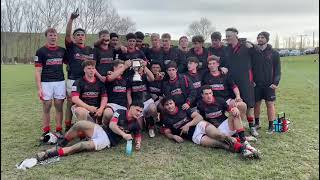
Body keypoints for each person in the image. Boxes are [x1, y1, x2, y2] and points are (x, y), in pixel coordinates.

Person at [160, 96, 259, 159]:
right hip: (195, 137)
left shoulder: (183, 109)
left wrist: (187, 125)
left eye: (171, 103)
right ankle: (243, 147)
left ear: (174, 103)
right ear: (164, 107)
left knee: (219, 135)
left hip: (200, 125)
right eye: (167, 105)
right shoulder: (165, 118)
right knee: (221, 145)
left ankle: (245, 149)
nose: (169, 106)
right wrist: (174, 137)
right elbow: (167, 132)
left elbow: (199, 117)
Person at [210, 28, 258, 137]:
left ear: (236, 35)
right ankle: (236, 127)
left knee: (249, 105)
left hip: (245, 80)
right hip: (231, 81)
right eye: (226, 36)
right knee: (235, 105)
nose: (227, 38)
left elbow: (257, 59)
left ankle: (251, 127)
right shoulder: (226, 49)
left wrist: (253, 46)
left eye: (229, 36)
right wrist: (223, 67)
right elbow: (221, 62)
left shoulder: (246, 46)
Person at [64, 10, 94, 131]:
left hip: (85, 81)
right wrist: (71, 19)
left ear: (85, 37)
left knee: (83, 104)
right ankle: (67, 126)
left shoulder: (89, 49)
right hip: (73, 79)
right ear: (74, 37)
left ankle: (83, 126)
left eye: (82, 35)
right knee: (71, 103)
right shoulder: (72, 47)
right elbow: (67, 35)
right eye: (78, 35)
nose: (80, 36)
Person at [34, 28, 66, 139]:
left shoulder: (62, 50)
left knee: (59, 105)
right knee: (47, 106)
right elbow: (37, 71)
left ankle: (59, 130)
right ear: (46, 36)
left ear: (57, 37)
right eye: (50, 35)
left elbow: (70, 63)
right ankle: (46, 130)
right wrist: (39, 88)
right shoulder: (41, 51)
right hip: (46, 82)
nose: (53, 37)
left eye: (54, 35)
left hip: (60, 82)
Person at [36, 120, 110, 161]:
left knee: (82, 145)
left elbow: (114, 126)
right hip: (102, 129)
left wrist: (122, 134)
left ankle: (49, 154)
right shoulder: (120, 112)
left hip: (107, 138)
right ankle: (60, 145)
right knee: (79, 124)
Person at [252, 32, 281, 134]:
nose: (260, 39)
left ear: (267, 39)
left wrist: (275, 83)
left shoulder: (274, 53)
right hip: (257, 84)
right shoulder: (254, 52)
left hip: (269, 85)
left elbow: (278, 70)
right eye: (258, 37)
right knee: (256, 104)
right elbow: (250, 68)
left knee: (270, 104)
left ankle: (271, 126)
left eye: (262, 37)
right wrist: (252, 81)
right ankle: (256, 123)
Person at [202, 57, 247, 121]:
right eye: (210, 64)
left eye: (213, 63)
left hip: (226, 99)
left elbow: (234, 87)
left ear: (218, 64)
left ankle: (237, 125)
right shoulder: (206, 76)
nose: (212, 65)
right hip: (214, 101)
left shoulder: (225, 74)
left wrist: (238, 96)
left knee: (242, 105)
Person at [127, 60, 157, 137]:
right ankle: (144, 121)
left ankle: (150, 124)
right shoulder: (130, 78)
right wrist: (131, 106)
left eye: (139, 67)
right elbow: (129, 94)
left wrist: (144, 66)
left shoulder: (144, 76)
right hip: (137, 103)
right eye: (136, 67)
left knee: (153, 109)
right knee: (140, 128)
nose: (138, 68)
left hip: (147, 100)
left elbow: (152, 78)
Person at [97, 60, 131, 125]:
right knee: (108, 114)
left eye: (123, 67)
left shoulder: (125, 79)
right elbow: (110, 78)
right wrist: (125, 66)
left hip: (123, 106)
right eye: (120, 67)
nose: (122, 69)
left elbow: (128, 95)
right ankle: (104, 126)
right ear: (114, 68)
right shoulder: (109, 76)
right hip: (111, 105)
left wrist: (129, 107)